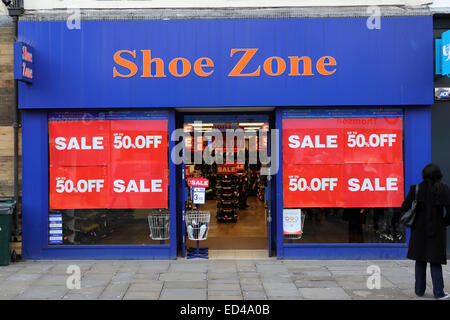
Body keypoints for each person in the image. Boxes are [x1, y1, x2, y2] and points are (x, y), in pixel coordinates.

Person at [402, 163, 450, 299]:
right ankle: (439, 293)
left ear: (424, 175)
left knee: (420, 260)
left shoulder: (416, 189)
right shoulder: (444, 189)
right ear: (438, 175)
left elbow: (404, 207)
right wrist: (444, 223)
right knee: (435, 261)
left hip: (418, 230)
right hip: (437, 230)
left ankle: (419, 291)